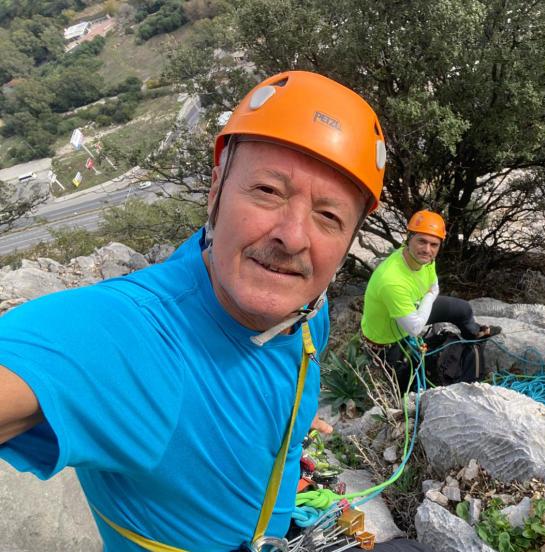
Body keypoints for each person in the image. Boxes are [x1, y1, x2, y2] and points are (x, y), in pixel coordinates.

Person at [0, 71, 430, 552]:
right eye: (268, 191)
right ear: (216, 191)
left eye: (329, 216)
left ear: (348, 241)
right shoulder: (140, 338)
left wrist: (279, 424)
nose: (293, 237)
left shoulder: (307, 311)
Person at [361, 210, 499, 388]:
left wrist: (429, 296)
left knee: (462, 309)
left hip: (412, 310)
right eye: (422, 241)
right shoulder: (391, 280)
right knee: (405, 385)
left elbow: (434, 285)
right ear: (408, 239)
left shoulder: (425, 260)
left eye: (434, 244)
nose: (427, 249)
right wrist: (429, 295)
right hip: (387, 341)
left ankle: (474, 339)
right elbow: (415, 328)